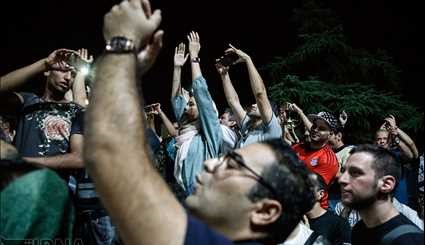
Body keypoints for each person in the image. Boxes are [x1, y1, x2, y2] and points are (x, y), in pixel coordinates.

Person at [84, 1, 315, 244]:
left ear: (265, 211)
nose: (212, 163)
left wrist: (121, 46)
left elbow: (106, 153)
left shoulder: (267, 130)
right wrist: (222, 73)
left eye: (233, 165)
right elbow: (233, 100)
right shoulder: (247, 130)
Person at [0, 48, 85, 178]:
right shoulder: (28, 101)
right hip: (20, 185)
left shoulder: (75, 111)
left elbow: (79, 158)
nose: (68, 77)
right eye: (62, 71)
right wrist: (44, 64)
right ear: (47, 72)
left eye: (73, 74)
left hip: (54, 189)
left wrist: (25, 162)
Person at [169, 34, 222, 195]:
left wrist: (194, 57)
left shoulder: (209, 137)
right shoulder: (186, 137)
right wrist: (177, 68)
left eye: (191, 104)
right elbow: (176, 101)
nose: (185, 109)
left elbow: (201, 92)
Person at [339, 144, 424, 244]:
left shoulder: (408, 240)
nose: (341, 179)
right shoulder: (360, 230)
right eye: (343, 171)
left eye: (356, 173)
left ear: (386, 184)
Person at [216, 45, 282, 148]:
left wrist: (247, 59)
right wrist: (224, 75)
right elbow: (233, 102)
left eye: (258, 106)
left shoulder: (272, 129)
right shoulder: (247, 126)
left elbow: (260, 94)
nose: (254, 105)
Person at [292, 111, 339, 209]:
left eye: (321, 129)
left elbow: (313, 189)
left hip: (313, 211)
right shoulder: (297, 147)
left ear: (330, 134)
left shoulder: (328, 159)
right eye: (314, 126)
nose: (315, 130)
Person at [306, 173, 351, 245]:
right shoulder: (293, 221)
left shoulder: (338, 225)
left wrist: (306, 234)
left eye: (308, 187)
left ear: (320, 194)